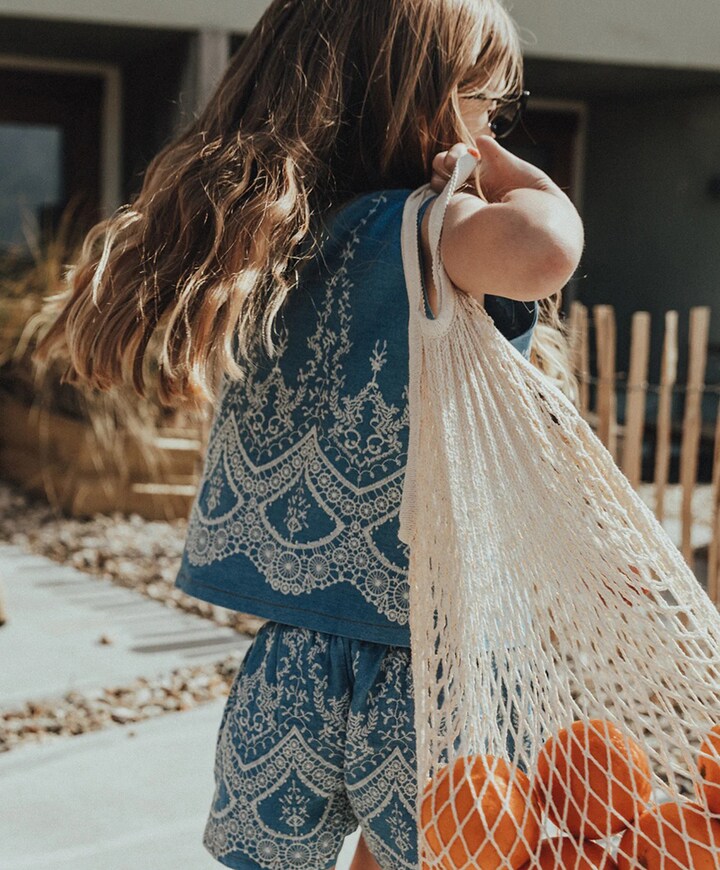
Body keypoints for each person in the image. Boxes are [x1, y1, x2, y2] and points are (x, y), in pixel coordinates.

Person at [33, 0, 584, 866]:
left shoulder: (271, 236)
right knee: (433, 851)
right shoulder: (428, 235)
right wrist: (520, 175)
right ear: (426, 104)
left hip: (291, 655)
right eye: (484, 101)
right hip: (427, 665)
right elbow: (544, 251)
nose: (490, 126)